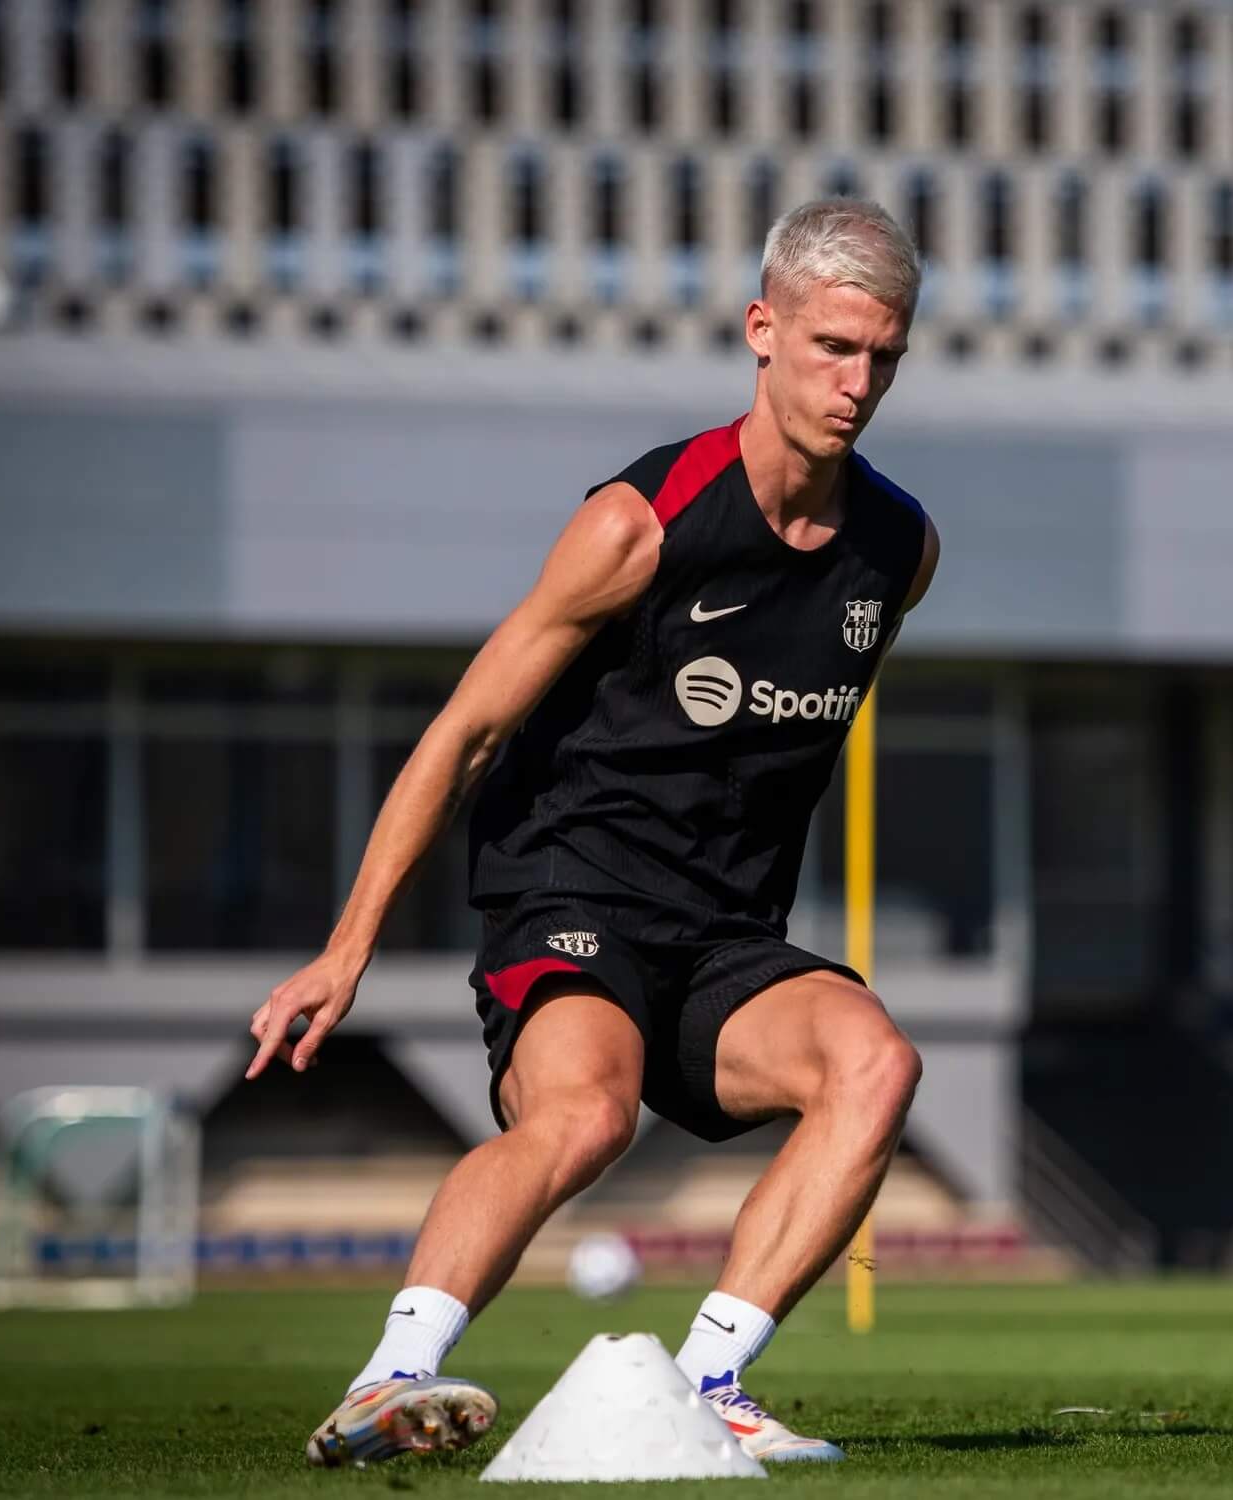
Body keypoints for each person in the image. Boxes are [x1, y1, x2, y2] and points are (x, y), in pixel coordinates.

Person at [243, 198, 938, 1469]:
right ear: (761, 329)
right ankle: (389, 1381)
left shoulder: (899, 550)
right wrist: (345, 950)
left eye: (884, 356)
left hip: (727, 933)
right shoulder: (641, 523)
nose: (859, 383)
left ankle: (709, 1389)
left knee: (876, 1066)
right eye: (835, 347)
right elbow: (461, 733)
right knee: (585, 1118)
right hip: (575, 890)